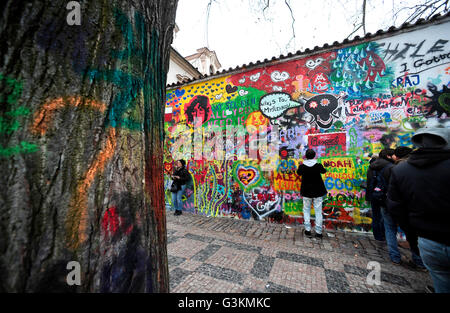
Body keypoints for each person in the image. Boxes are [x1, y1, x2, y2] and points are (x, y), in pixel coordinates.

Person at [387, 126, 450, 293]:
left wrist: (413, 236)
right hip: (428, 238)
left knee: (442, 282)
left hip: (427, 241)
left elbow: (396, 208)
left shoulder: (401, 170)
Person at [382, 146, 426, 270]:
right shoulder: (413, 170)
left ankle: (395, 257)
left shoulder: (389, 169)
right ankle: (419, 261)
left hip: (389, 204)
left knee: (390, 229)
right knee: (412, 233)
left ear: (396, 156)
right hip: (406, 207)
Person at [296, 149, 327, 239]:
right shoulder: (318, 165)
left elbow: (298, 173)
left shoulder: (302, 166)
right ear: (314, 156)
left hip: (306, 191)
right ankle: (318, 232)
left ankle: (307, 230)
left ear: (306, 156)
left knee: (306, 210)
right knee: (318, 211)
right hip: (318, 191)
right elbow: (324, 171)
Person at [366, 148, 394, 242]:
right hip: (385, 195)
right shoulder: (390, 166)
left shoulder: (372, 165)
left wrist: (369, 195)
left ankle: (378, 236)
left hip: (375, 194)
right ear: (388, 156)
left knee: (376, 216)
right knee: (385, 216)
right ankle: (383, 235)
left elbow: (369, 181)